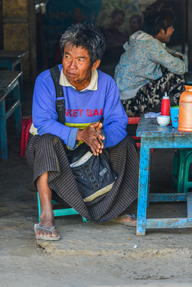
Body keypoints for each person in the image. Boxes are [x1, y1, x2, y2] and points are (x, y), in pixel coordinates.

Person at [27, 23, 139, 241]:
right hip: (54, 153)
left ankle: (113, 208)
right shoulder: (47, 80)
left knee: (125, 143)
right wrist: (79, 135)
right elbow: (42, 122)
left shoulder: (106, 84)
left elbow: (117, 122)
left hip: (91, 152)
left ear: (95, 63)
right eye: (68, 56)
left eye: (80, 60)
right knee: (46, 141)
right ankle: (47, 215)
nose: (71, 65)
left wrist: (99, 138)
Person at [114, 1, 186, 117]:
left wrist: (173, 55)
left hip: (122, 101)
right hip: (131, 103)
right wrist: (176, 57)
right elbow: (180, 67)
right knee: (174, 75)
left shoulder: (141, 39)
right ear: (162, 30)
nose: (173, 30)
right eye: (171, 27)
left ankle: (178, 113)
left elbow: (170, 53)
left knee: (170, 72)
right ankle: (183, 115)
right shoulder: (150, 45)